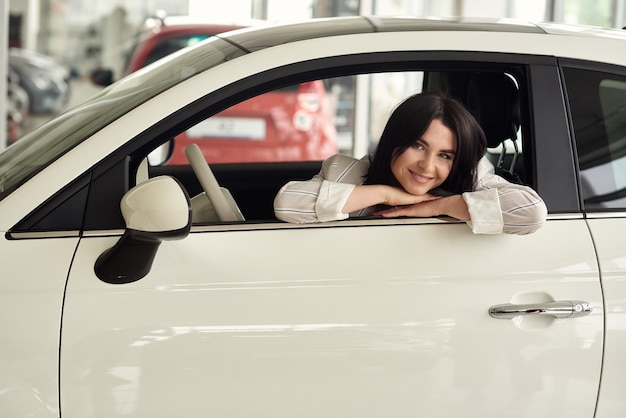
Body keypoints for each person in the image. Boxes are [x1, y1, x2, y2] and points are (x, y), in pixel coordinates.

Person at [274, 92, 547, 235]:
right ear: (395, 140)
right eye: (418, 146)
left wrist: (435, 206)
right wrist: (387, 195)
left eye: (445, 155)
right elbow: (287, 205)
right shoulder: (343, 170)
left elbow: (531, 212)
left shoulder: (472, 179)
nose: (427, 167)